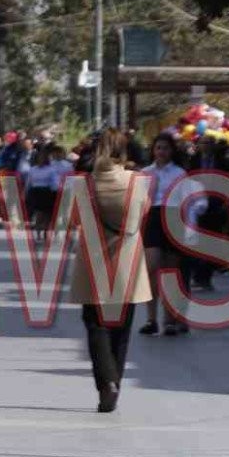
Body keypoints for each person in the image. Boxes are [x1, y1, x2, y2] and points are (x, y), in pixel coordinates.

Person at [71, 130, 151, 413]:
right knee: (123, 323)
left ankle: (106, 382)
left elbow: (74, 217)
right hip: (127, 258)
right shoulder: (137, 182)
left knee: (95, 322)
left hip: (93, 258)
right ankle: (115, 377)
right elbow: (143, 214)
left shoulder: (85, 183)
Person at [137, 132, 186, 337]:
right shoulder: (145, 173)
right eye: (158, 148)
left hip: (173, 216)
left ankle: (169, 320)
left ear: (172, 150)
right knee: (152, 266)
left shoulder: (179, 173)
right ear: (153, 150)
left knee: (170, 270)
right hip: (152, 218)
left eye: (165, 148)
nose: (162, 151)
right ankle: (151, 318)